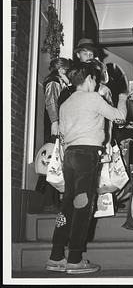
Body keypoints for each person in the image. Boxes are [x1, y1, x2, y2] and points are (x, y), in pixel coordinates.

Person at [45, 61, 128, 274]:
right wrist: (122, 98)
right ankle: (74, 259)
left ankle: (56, 257)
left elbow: (62, 135)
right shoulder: (93, 98)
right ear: (90, 79)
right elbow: (119, 117)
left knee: (67, 206)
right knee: (83, 206)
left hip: (70, 156)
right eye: (95, 79)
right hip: (86, 155)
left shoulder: (65, 104)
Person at [35, 57, 71, 212]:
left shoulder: (58, 81)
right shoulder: (54, 82)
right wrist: (55, 123)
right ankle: (49, 201)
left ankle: (50, 199)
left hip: (57, 125)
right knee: (52, 160)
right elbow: (51, 103)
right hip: (55, 126)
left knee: (55, 160)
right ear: (62, 69)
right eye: (67, 70)